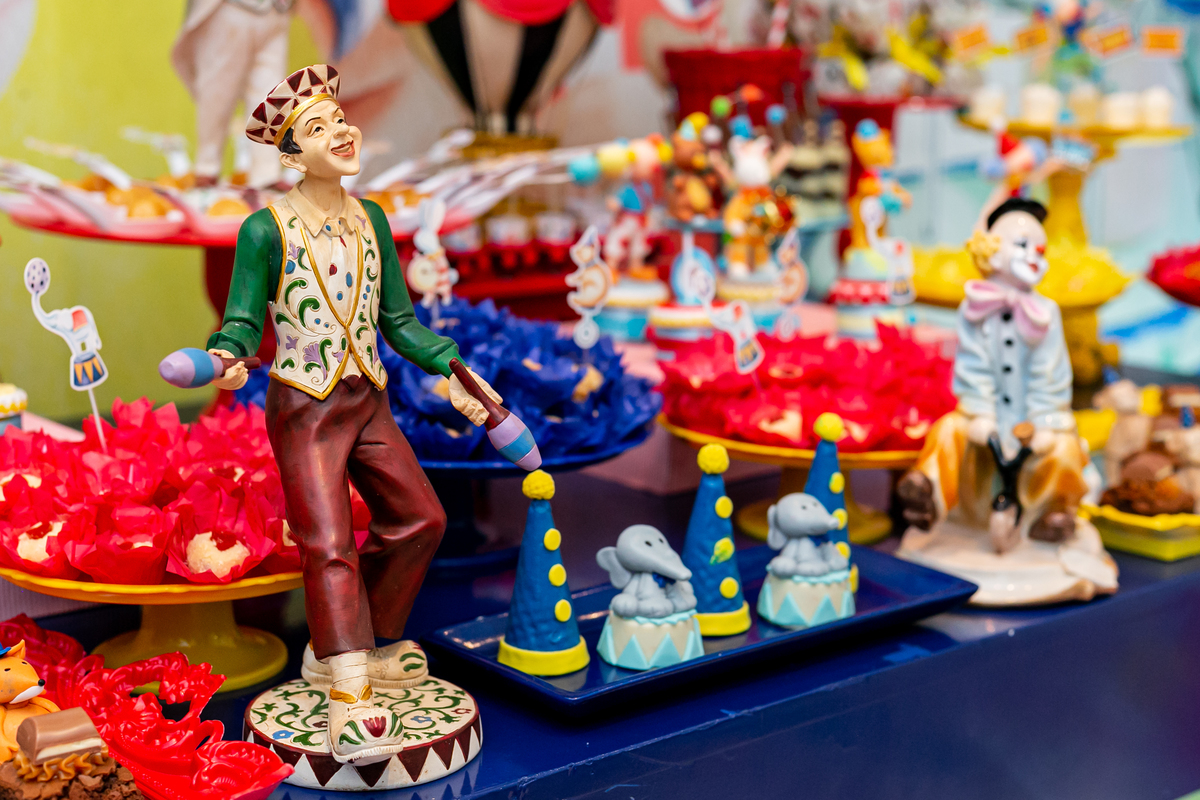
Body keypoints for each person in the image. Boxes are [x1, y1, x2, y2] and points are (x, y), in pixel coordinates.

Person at [206, 64, 498, 766]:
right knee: (329, 541)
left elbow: (399, 320)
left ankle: (372, 643)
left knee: (421, 519)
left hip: (367, 399)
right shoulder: (264, 230)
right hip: (305, 404)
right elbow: (243, 320)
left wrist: (451, 367)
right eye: (317, 128)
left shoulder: (371, 219)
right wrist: (227, 353)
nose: (339, 132)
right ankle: (346, 685)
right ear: (289, 156)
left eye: (338, 120)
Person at [897, 197, 1088, 544]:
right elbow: (973, 365)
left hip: (1033, 421)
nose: (1034, 253)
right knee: (948, 430)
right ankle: (929, 496)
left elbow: (1051, 374)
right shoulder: (974, 308)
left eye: (1039, 249)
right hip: (985, 416)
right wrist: (981, 414)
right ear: (993, 252)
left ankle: (1053, 513)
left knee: (1064, 450)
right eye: (1022, 245)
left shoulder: (1046, 312)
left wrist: (1043, 421)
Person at [172, 0, 294, 188]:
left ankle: (267, 173)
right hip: (233, 9)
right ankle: (207, 167)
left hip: (276, 13)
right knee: (218, 90)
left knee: (272, 94)